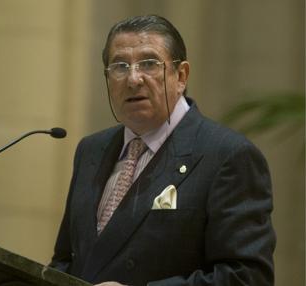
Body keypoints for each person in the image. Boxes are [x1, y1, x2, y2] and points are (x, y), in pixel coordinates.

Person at [50, 15, 275, 286]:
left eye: (149, 64)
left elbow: (247, 277)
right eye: (120, 66)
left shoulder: (227, 155)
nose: (133, 79)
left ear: (181, 76)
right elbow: (66, 261)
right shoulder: (91, 150)